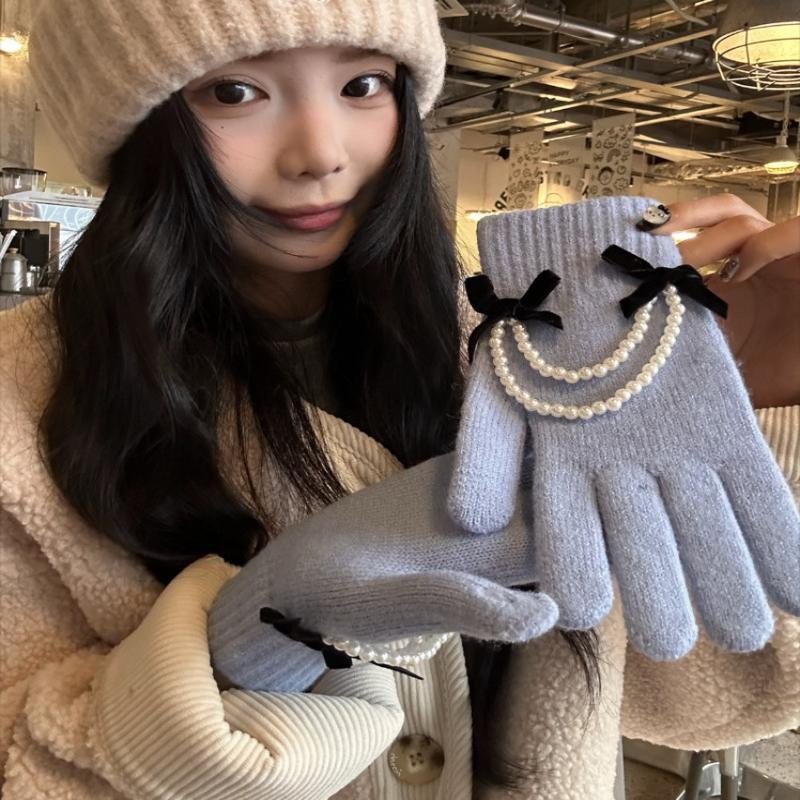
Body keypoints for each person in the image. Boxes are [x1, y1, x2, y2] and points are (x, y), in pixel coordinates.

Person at [1, 0, 798, 797]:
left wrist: (742, 396)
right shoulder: (22, 398)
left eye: (363, 85)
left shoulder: (516, 346)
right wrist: (263, 628)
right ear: (130, 122)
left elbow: (707, 682)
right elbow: (25, 762)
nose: (320, 154)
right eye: (234, 93)